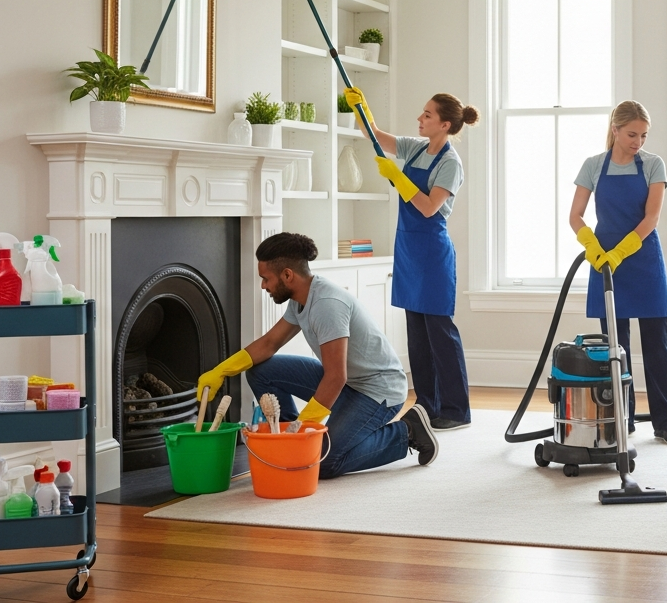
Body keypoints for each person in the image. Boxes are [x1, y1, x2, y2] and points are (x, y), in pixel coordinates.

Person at [196, 232, 439, 477]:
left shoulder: (327, 304)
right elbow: (270, 342)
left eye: (265, 278)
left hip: (377, 391)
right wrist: (221, 371)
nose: (263, 286)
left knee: (321, 462)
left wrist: (304, 429)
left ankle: (407, 431)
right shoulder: (300, 297)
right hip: (348, 384)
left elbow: (335, 377)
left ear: (287, 275)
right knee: (262, 372)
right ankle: (286, 439)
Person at [345, 88, 478, 431]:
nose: (420, 119)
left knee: (440, 334)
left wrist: (397, 177)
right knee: (417, 336)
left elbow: (429, 206)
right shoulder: (416, 147)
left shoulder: (450, 163)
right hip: (407, 250)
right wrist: (362, 107)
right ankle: (427, 406)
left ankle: (456, 409)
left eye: (427, 115)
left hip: (432, 253)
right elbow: (375, 136)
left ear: (445, 125)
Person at [568, 101, 667, 446]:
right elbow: (575, 216)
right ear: (615, 129)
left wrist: (620, 251)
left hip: (642, 259)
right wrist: (593, 247)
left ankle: (666, 422)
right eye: (632, 134)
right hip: (603, 261)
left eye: (644, 135)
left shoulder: (652, 164)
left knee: (656, 345)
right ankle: (622, 418)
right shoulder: (593, 166)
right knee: (614, 348)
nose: (638, 141)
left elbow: (651, 218)